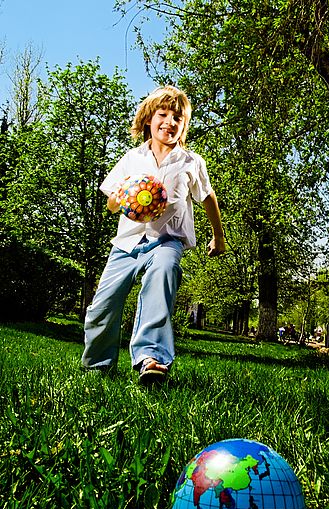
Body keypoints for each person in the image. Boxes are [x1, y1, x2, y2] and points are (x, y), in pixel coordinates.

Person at [81, 85, 225, 384]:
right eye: (163, 115)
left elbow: (208, 198)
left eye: (178, 117)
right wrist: (128, 195)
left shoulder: (191, 162)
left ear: (184, 124)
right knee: (102, 307)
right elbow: (110, 203)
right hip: (127, 242)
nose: (169, 122)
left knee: (164, 271)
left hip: (167, 240)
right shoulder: (132, 158)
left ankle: (152, 359)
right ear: (148, 118)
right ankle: (97, 367)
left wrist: (218, 236)